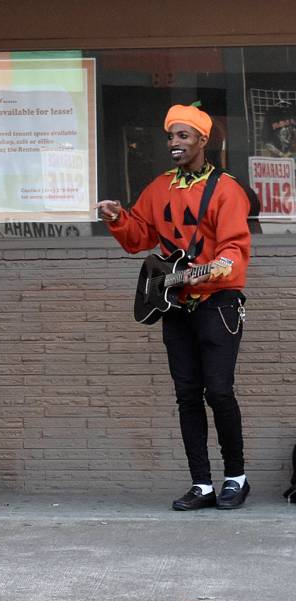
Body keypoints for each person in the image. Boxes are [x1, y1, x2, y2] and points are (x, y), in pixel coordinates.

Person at [97, 104, 252, 511]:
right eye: (170, 136)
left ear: (203, 140)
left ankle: (236, 477)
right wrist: (117, 218)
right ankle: (202, 484)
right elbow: (138, 238)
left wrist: (211, 272)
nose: (174, 143)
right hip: (175, 305)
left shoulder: (226, 189)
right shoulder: (159, 187)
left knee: (218, 392)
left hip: (218, 303)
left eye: (183, 136)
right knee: (187, 395)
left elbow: (235, 250)